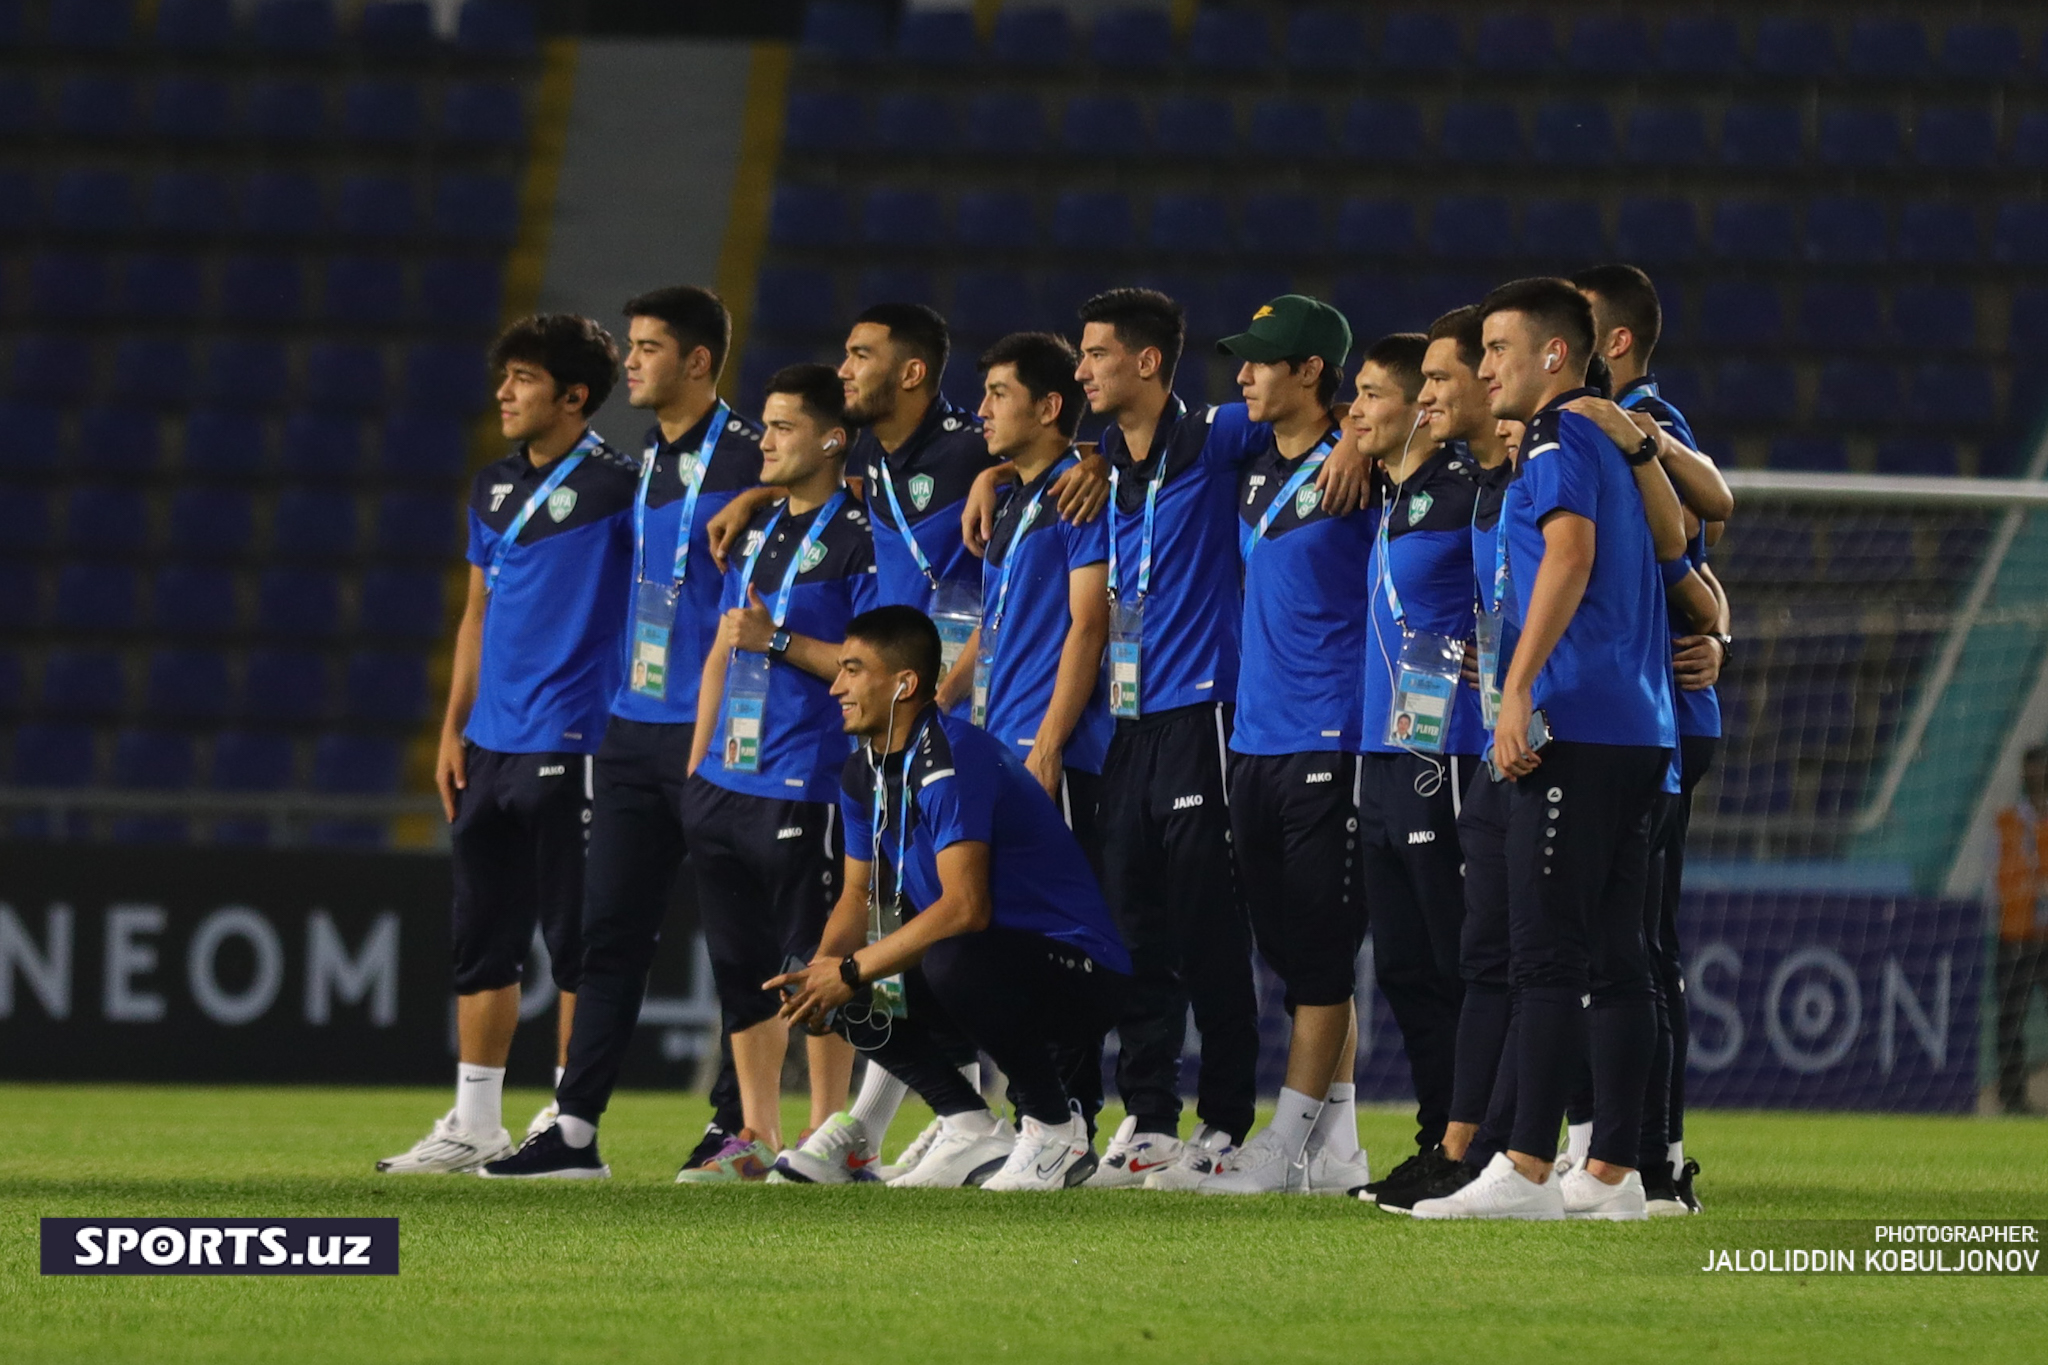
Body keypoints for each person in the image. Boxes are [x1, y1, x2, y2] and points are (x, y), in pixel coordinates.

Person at [1076, 288, 1375, 1189]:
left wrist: (1359, 432)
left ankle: (1229, 1119)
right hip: (1153, 716)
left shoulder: (1218, 437)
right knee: (1138, 919)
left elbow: (1382, 411)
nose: (1241, 369)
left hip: (1226, 712)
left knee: (1224, 926)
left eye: (1096, 352)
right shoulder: (1114, 458)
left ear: (1145, 362)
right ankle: (1156, 1114)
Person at [472, 292, 762, 1180]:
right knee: (607, 938)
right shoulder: (644, 464)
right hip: (632, 730)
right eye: (629, 346)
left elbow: (847, 466)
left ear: (700, 362)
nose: (631, 363)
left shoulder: (753, 454)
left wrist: (764, 490)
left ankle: (735, 1128)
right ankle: (574, 1129)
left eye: (649, 348)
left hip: (718, 734)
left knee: (737, 942)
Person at [1414, 278, 1681, 1222]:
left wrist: (1517, 688)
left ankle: (1524, 1168)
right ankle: (1614, 1173)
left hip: (1575, 725)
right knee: (1615, 956)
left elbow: (1566, 559)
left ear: (1555, 355)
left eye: (1495, 347)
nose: (1484, 367)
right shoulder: (1600, 444)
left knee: (1544, 955)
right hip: (1639, 729)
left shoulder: (1564, 440)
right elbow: (1675, 535)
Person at [379, 315, 634, 1176]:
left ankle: (566, 1124)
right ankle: (475, 1121)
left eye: (522, 378)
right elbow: (477, 613)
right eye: (506, 377)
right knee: (480, 939)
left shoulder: (621, 488)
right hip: (489, 742)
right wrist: (453, 726)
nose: (503, 392)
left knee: (574, 947)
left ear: (572, 397)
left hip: (576, 737)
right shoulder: (490, 487)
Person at [769, 606, 1132, 1191]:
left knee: (943, 951)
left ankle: (1054, 1131)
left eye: (853, 671)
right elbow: (861, 894)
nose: (836, 686)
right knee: (818, 972)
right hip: (992, 960)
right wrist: (823, 977)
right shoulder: (862, 773)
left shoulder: (951, 757)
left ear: (904, 684)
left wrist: (853, 969)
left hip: (1081, 970)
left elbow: (966, 908)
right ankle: (968, 1125)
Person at [1194, 298, 1380, 1196]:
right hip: (1254, 738)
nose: (1243, 375)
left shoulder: (1371, 470)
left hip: (1330, 736)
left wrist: (1359, 436)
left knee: (1317, 951)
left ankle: (1283, 1142)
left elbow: (1429, 396)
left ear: (1311, 371)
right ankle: (1336, 1147)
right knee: (1294, 954)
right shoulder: (1255, 465)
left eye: (1262, 362)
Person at [1568, 264, 1732, 1213]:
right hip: (1654, 709)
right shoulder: (1591, 424)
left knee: (1635, 948)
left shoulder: (1639, 417)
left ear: (1615, 340)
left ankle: (1653, 1160)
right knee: (1631, 944)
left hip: (1662, 715)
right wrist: (1718, 622)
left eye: (1578, 327)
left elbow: (1713, 507)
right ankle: (1634, 1147)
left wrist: (1713, 630)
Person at [1366, 309, 1516, 1213]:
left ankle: (1482, 1141)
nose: (1422, 396)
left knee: (1463, 958)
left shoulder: (1472, 490)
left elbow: (1515, 585)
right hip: (1388, 749)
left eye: (1430, 382)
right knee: (1405, 968)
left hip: (1452, 752)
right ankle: (1438, 1139)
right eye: (1407, 385)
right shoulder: (1393, 495)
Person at [1994, 747, 2048, 1114]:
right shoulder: (2008, 822)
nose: (2036, 778)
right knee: (2011, 1018)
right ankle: (2013, 1098)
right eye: (2031, 772)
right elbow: (1991, 876)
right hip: (2015, 934)